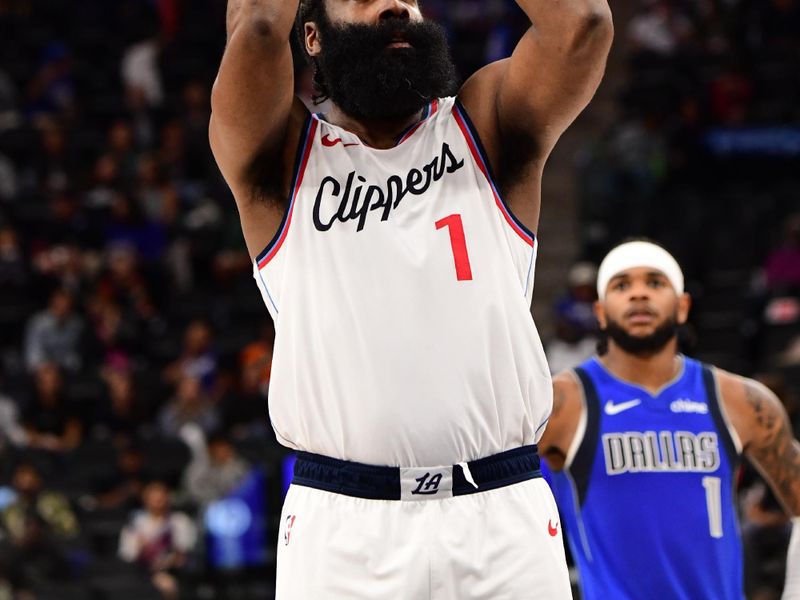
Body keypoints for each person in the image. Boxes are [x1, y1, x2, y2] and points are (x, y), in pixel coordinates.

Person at [210, 0, 613, 597]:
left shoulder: (488, 123)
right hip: (343, 527)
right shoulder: (281, 153)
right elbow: (261, 25)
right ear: (313, 36)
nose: (396, 3)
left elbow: (584, 24)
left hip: (501, 516)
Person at [539, 240, 800, 600]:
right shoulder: (561, 403)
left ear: (683, 306)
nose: (639, 295)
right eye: (622, 285)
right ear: (600, 312)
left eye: (655, 283)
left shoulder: (740, 400)